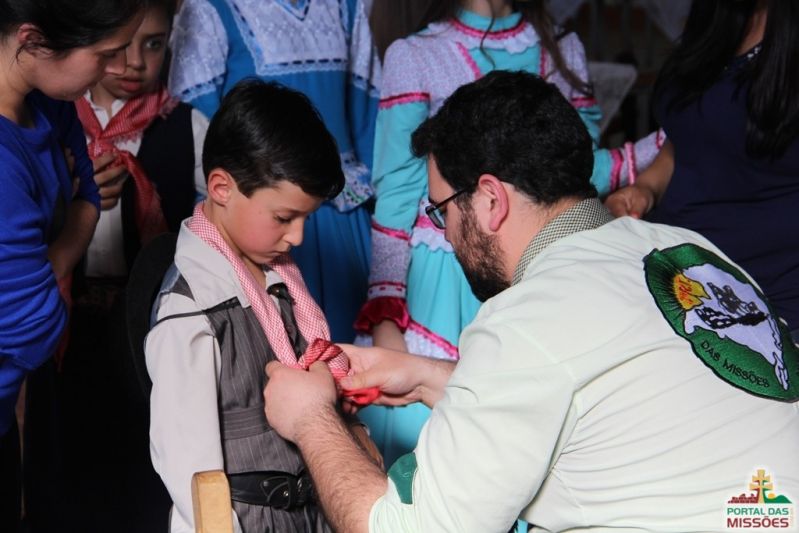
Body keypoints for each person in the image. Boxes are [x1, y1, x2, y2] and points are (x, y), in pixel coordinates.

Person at [263, 70, 799, 532]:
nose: (445, 233)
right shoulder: (685, 250)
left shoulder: (527, 317)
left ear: (491, 200)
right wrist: (429, 376)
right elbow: (596, 392)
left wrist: (311, 418)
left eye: (442, 210)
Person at [354, 0, 663, 466]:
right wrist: (386, 323)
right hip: (443, 284)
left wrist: (667, 147)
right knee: (444, 453)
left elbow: (574, 173)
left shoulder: (562, 48)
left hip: (543, 267)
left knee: (539, 438)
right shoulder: (416, 54)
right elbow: (397, 197)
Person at [145, 79, 380, 533]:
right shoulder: (190, 311)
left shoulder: (282, 281)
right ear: (221, 188)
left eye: (306, 218)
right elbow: (191, 473)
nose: (298, 237)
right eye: (284, 218)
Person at [0, 0, 144, 529]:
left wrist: (49, 257)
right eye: (105, 53)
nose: (118, 68)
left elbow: (85, 180)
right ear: (33, 40)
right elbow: (36, 328)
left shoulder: (47, 101)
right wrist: (68, 242)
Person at [167, 0, 381, 343]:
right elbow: (197, 134)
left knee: (345, 351)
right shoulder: (210, 8)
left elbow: (370, 124)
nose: (297, 236)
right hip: (253, 205)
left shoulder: (346, 6)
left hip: (340, 214)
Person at [605, 0, 799, 342]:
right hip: (675, 281)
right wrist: (648, 186)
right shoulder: (716, 22)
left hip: (763, 313)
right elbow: (690, 136)